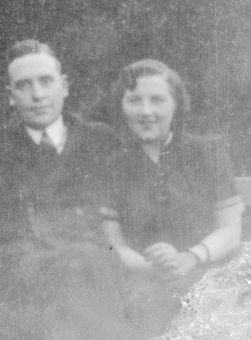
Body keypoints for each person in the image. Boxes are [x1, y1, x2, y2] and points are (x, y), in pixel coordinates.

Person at [0, 39, 134, 340]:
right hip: (20, 270)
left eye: (46, 81)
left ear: (64, 85)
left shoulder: (100, 139)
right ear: (10, 96)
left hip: (91, 266)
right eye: (24, 85)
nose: (38, 95)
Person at [102, 58, 243, 338]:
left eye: (157, 100)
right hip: (145, 281)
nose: (145, 111)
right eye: (134, 100)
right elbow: (112, 243)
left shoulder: (207, 152)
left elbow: (230, 230)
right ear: (121, 106)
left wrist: (189, 257)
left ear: (176, 104)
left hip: (208, 271)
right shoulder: (114, 165)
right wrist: (152, 266)